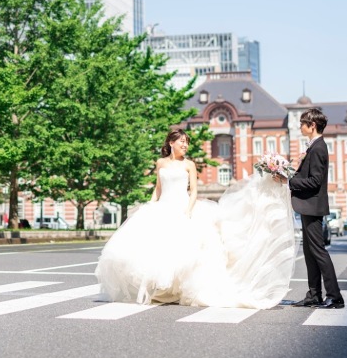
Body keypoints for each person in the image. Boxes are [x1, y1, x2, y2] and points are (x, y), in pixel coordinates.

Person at [96, 127, 296, 308]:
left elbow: (193, 191)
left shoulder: (189, 164)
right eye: (181, 141)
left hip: (183, 207)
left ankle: (176, 290)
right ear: (171, 143)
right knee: (158, 248)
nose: (185, 145)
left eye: (186, 142)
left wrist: (188, 210)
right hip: (162, 207)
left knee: (186, 250)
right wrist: (151, 205)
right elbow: (158, 189)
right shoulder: (160, 163)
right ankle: (162, 290)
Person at [275, 108, 344, 309]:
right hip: (308, 205)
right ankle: (314, 294)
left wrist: (288, 182)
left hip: (313, 205)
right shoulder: (313, 147)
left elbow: (314, 181)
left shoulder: (318, 148)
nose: (300, 126)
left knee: (318, 251)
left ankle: (335, 296)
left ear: (312, 125)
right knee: (309, 251)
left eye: (303, 123)